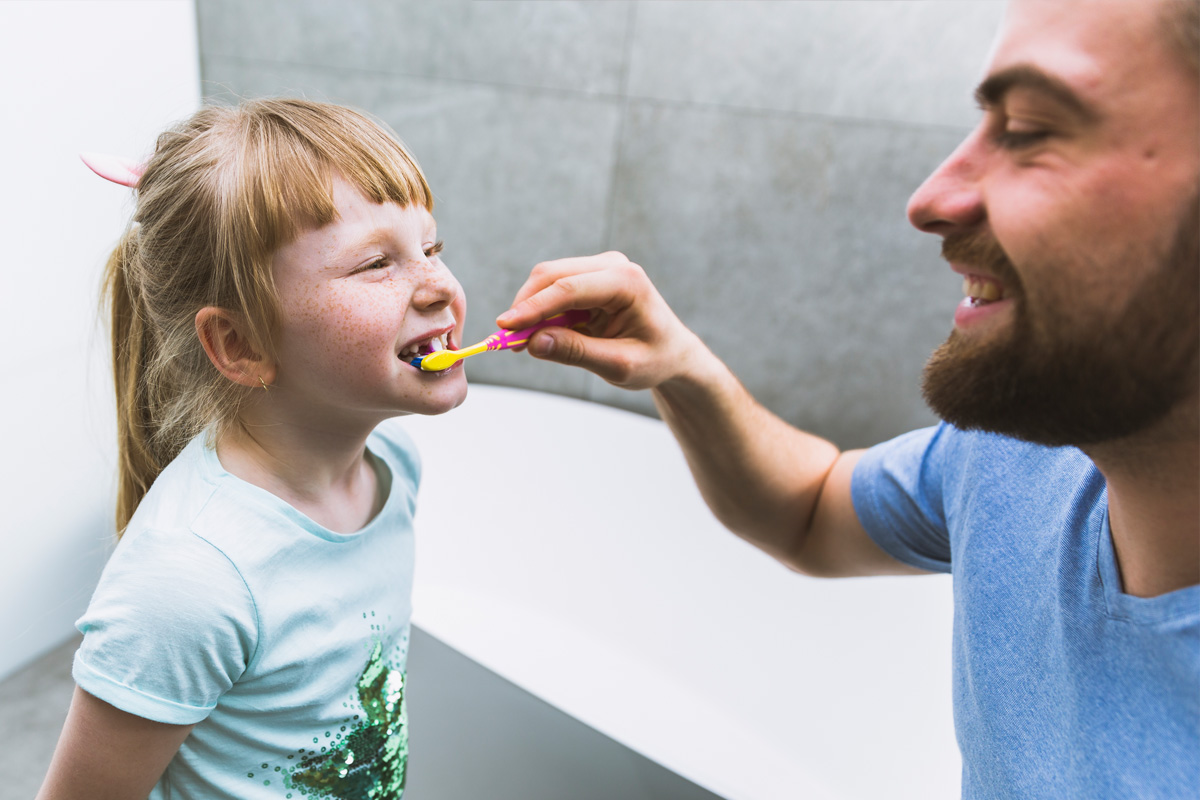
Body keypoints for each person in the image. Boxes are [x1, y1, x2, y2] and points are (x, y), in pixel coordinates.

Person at [497, 0, 1199, 796]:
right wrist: (680, 368)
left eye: (1032, 130)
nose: (930, 199)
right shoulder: (1016, 455)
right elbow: (809, 508)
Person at [37, 99, 466, 799]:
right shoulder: (191, 581)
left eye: (432, 247)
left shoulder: (394, 471)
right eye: (377, 262)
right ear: (240, 344)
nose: (440, 285)